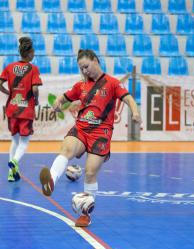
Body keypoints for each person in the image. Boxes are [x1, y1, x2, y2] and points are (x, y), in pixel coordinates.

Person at [39, 49, 141, 227]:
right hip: (82, 128)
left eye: (86, 67)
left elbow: (129, 99)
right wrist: (57, 104)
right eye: (81, 69)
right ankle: (51, 181)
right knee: (66, 149)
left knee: (90, 172)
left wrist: (136, 112)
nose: (84, 71)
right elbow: (63, 98)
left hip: (101, 133)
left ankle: (85, 214)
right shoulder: (81, 85)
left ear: (95, 60)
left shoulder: (113, 83)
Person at [0, 37, 42, 182]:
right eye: (33, 51)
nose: (34, 54)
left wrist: (9, 93)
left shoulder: (9, 67)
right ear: (29, 53)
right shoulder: (33, 69)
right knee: (24, 142)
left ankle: (11, 173)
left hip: (12, 109)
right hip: (26, 109)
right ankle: (15, 162)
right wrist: (36, 99)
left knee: (14, 141)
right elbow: (35, 89)